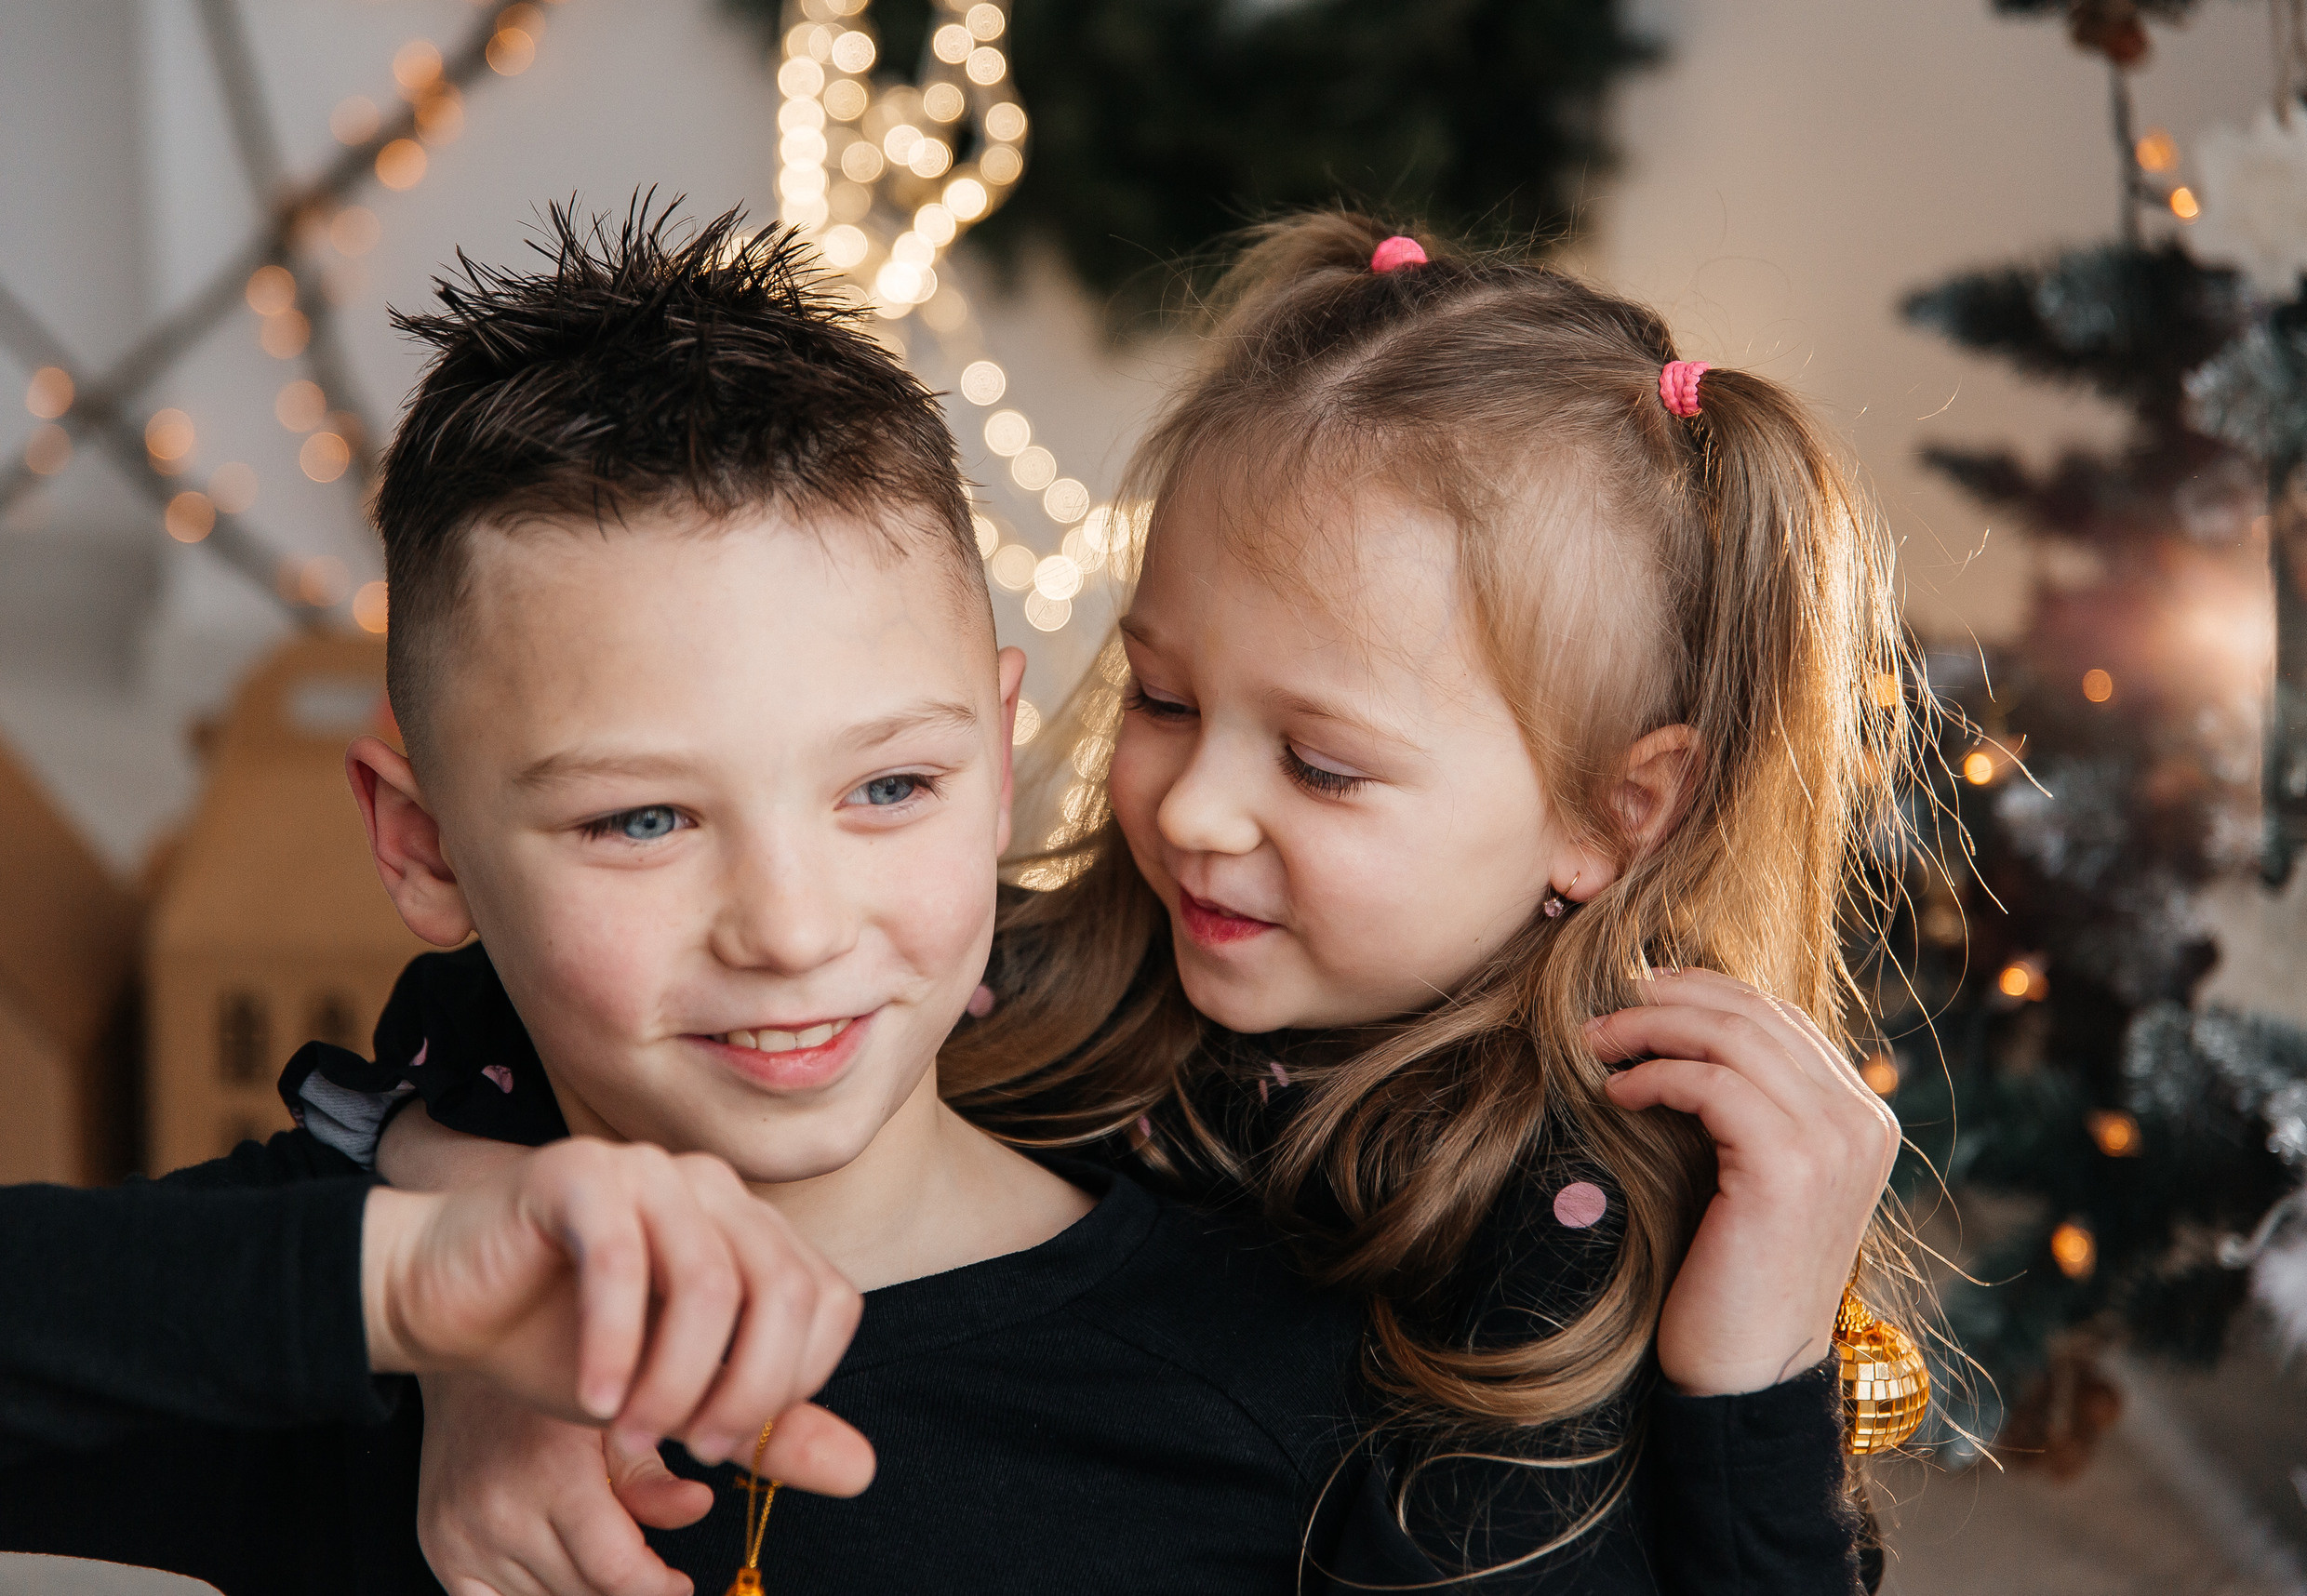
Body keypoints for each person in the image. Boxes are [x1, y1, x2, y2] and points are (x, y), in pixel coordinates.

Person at [328, 210, 1915, 1593]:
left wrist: (1752, 1380)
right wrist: (474, 1302)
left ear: (1611, 814)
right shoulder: (1045, 963)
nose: (1192, 806)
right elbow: (492, 1015)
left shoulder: (1591, 1214)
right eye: (1163, 697)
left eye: (1321, 762)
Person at [0, 1137, 870, 1496]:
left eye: (890, 787)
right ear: (422, 849)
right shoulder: (322, 1241)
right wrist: (383, 1290)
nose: (790, 935)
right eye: (641, 820)